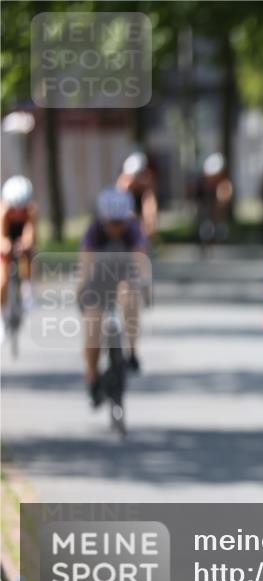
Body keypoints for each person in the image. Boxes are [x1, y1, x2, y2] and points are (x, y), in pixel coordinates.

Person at [79, 188, 147, 407]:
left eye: (121, 222)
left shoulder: (133, 231)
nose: (117, 228)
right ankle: (92, 376)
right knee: (93, 325)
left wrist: (143, 284)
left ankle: (132, 351)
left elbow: (140, 261)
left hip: (124, 277)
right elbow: (86, 267)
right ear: (103, 219)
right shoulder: (94, 232)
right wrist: (81, 292)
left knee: (130, 296)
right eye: (112, 223)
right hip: (98, 281)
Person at [1, 176, 38, 341]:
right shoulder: (3, 211)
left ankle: (27, 287)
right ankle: (2, 315)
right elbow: (1, 236)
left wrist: (25, 244)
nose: (17, 212)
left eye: (21, 208)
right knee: (2, 280)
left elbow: (31, 234)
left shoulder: (31, 210)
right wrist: (5, 245)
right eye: (14, 208)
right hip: (6, 235)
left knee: (28, 252)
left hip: (21, 234)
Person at [116, 150, 159, 241]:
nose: (148, 178)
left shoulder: (147, 186)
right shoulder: (124, 185)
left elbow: (150, 209)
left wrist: (148, 226)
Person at [195, 153, 233, 248]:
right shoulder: (205, 187)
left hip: (218, 221)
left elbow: (222, 202)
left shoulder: (224, 186)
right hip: (208, 219)